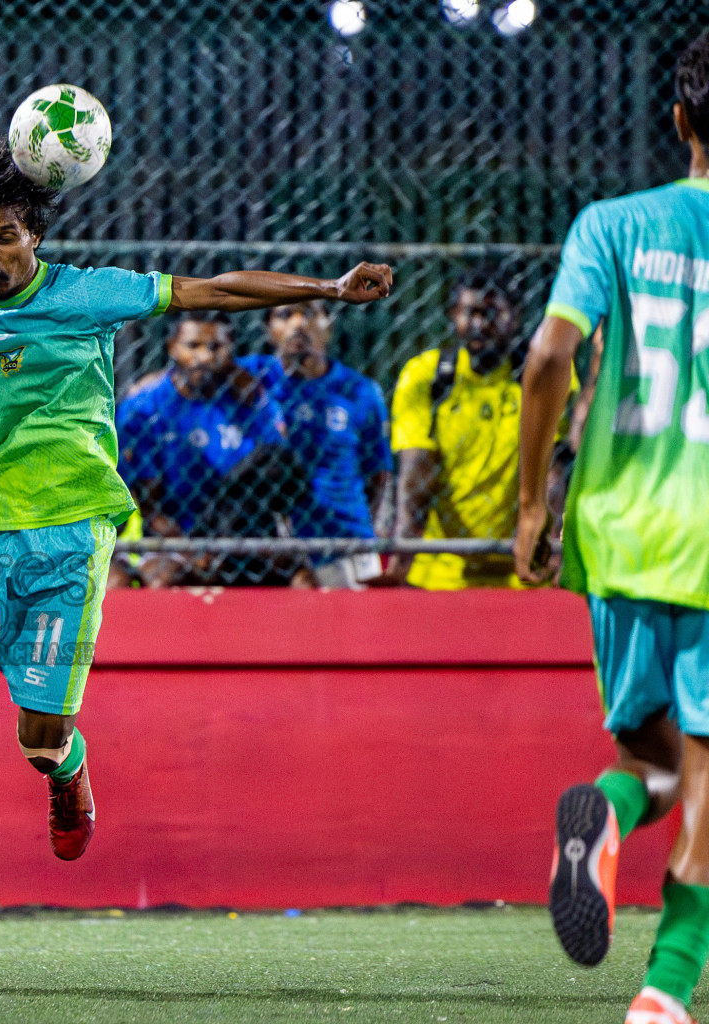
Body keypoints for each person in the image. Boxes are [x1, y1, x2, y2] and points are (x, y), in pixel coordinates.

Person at [0, 133, 392, 989]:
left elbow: (214, 291)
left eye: (4, 234)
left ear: (34, 233)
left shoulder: (91, 294)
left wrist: (330, 287)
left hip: (73, 536)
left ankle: (69, 769)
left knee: (37, 737)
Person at [516, 31, 709, 1024]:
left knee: (657, 762)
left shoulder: (614, 223)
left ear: (681, 121)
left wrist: (532, 503)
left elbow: (550, 356)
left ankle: (603, 820)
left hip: (622, 531)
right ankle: (667, 989)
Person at [386, 268, 573, 589]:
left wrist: (553, 552)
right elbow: (415, 475)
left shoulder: (541, 378)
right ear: (452, 316)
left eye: (491, 313)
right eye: (470, 312)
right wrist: (402, 561)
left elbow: (553, 476)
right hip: (438, 573)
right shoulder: (426, 378)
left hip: (520, 574)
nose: (479, 324)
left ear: (514, 317)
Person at [116, 311, 309, 588]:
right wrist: (193, 551)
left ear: (231, 351)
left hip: (244, 534)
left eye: (216, 347)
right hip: (175, 536)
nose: (205, 357)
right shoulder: (145, 408)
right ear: (172, 347)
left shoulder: (252, 401)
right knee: (163, 579)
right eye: (193, 346)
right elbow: (151, 507)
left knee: (303, 580)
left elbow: (280, 477)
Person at [239, 301, 392, 588]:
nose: (298, 323)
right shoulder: (252, 376)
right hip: (272, 551)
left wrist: (356, 527)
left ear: (329, 327)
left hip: (346, 540)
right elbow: (197, 367)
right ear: (269, 331)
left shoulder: (360, 391)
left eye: (308, 313)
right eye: (284, 314)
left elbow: (377, 473)